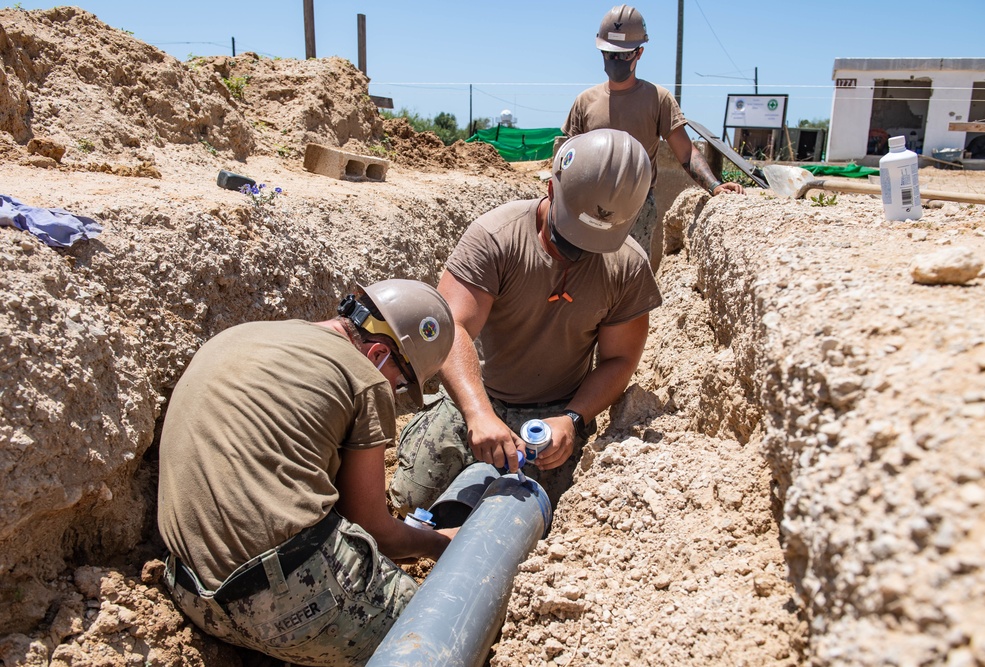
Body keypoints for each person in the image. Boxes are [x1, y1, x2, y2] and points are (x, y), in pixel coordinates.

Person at [158, 279, 457, 667]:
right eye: (400, 384)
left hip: (194, 598)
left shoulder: (242, 334)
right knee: (443, 635)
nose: (393, 392)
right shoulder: (364, 378)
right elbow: (372, 528)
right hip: (292, 608)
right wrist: (438, 544)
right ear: (380, 353)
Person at [389, 128, 662, 517]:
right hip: (478, 397)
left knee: (538, 517)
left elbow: (620, 360)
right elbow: (453, 328)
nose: (577, 252)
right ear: (552, 188)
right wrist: (478, 413)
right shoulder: (496, 237)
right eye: (569, 237)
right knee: (411, 502)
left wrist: (573, 418)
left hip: (553, 417)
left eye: (592, 244)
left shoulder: (627, 266)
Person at [563, 4, 744, 258]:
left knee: (630, 276)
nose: (615, 61)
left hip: (635, 207)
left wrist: (714, 186)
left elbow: (686, 153)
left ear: (639, 53)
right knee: (585, 278)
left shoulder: (657, 99)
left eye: (623, 55)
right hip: (589, 206)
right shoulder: (585, 101)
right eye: (609, 54)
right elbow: (567, 160)